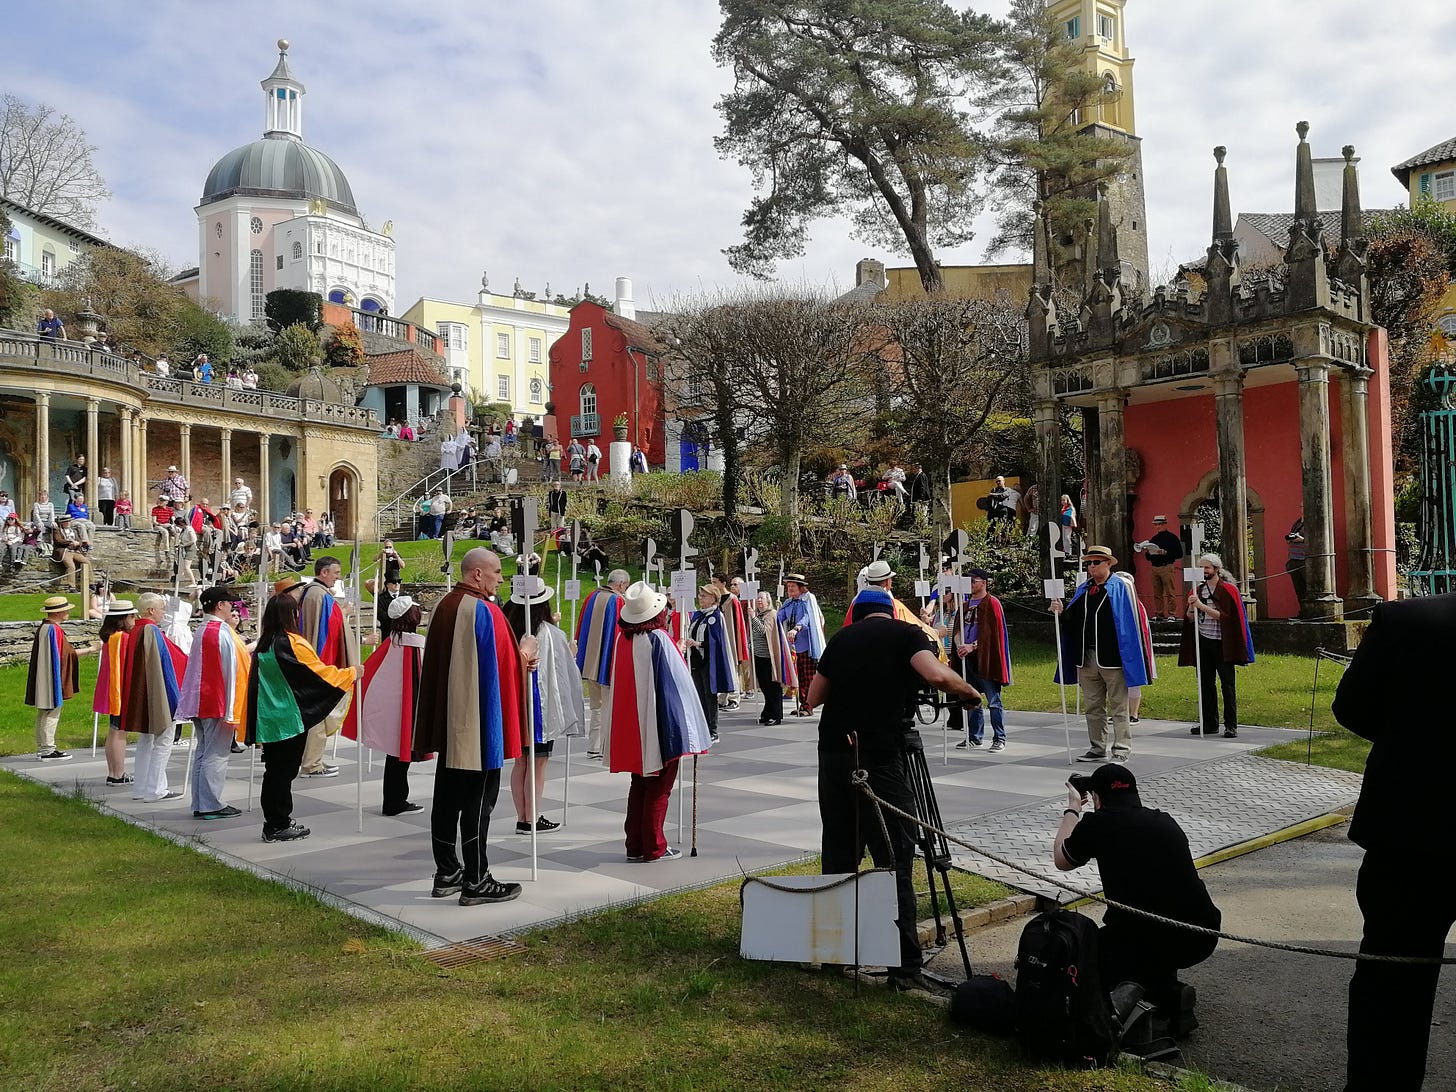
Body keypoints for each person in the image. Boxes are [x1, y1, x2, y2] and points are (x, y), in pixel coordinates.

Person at [807, 584, 981, 992]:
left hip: (834, 754)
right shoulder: (908, 634)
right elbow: (935, 674)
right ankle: (903, 967)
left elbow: (813, 697)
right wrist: (969, 693)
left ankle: (836, 954)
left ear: (857, 615)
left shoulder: (840, 638)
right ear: (891, 612)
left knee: (839, 852)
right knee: (895, 857)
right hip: (882, 756)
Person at [1333, 595, 1456, 1090]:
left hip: (1411, 825)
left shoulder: (1405, 619)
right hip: (1408, 832)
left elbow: (1352, 707)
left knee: (1392, 982)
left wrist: (1410, 739)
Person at [413, 548, 535, 906]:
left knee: (447, 799)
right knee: (478, 802)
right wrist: (525, 653)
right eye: (496, 572)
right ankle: (477, 879)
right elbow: (503, 667)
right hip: (478, 725)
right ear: (477, 574)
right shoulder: (486, 611)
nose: (501, 578)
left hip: (450, 723)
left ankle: (447, 871)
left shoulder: (443, 606)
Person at [1054, 763, 1220, 1020]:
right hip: (1201, 934)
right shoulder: (1164, 820)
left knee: (1091, 956)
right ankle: (1166, 993)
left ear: (1097, 799)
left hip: (1146, 936)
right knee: (1146, 941)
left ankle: (1152, 996)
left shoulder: (1098, 823)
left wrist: (1072, 808)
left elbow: (1061, 859)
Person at [602, 581, 712, 863]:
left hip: (635, 726)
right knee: (660, 786)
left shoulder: (623, 639)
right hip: (659, 723)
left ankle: (635, 844)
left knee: (639, 783)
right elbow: (679, 685)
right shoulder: (658, 639)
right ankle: (654, 846)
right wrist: (692, 730)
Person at [246, 578, 361, 842]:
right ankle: (278, 824)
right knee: (283, 773)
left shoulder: (266, 643)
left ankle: (274, 822)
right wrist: (352, 673)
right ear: (291, 615)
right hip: (288, 717)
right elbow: (319, 674)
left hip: (269, 716)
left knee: (274, 772)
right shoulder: (292, 643)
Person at [1050, 546, 1154, 763]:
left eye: (1095, 562)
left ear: (1108, 563)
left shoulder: (1119, 587)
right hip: (1086, 658)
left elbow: (1128, 624)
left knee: (1118, 706)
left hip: (1112, 658)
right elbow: (1074, 622)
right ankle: (1097, 747)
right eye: (1088, 563)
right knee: (1093, 707)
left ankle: (1121, 748)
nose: (1091, 567)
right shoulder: (1085, 589)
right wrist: (1062, 613)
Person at [503, 577, 584, 834]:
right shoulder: (551, 633)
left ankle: (522, 816)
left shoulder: (509, 630)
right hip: (539, 708)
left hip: (516, 706)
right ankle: (531, 818)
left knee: (521, 763)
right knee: (537, 764)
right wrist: (570, 653)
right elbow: (562, 672)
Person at [343, 595, 426, 816]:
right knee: (399, 756)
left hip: (396, 707)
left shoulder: (393, 642)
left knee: (397, 755)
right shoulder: (411, 645)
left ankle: (396, 799)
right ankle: (395, 801)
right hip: (404, 707)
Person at [176, 586, 251, 819]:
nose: (233, 607)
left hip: (202, 700)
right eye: (230, 604)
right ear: (220, 605)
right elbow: (230, 670)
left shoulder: (204, 629)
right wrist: (232, 707)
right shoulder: (219, 632)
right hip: (216, 701)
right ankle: (212, 804)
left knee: (204, 752)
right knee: (216, 754)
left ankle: (201, 802)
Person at [121, 592, 189, 803]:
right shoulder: (151, 630)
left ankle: (140, 787)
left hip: (141, 691)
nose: (163, 612)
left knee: (146, 739)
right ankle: (156, 789)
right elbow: (166, 665)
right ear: (151, 610)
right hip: (157, 693)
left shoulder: (136, 630)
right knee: (163, 739)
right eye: (160, 609)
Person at [1178, 553, 1254, 738]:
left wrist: (1202, 607)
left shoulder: (1228, 590)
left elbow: (1227, 618)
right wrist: (1190, 607)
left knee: (1227, 685)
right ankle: (1209, 723)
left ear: (1216, 570)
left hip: (1223, 643)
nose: (1203, 571)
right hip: (1203, 642)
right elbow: (1190, 619)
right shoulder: (1196, 591)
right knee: (1205, 684)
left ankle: (1231, 725)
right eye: (1201, 568)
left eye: (1207, 568)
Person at [296, 557, 357, 779]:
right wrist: (345, 613)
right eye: (336, 572)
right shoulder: (319, 595)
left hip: (312, 659)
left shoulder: (312, 593)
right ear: (324, 572)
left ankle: (313, 760)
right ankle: (312, 764)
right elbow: (329, 630)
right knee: (319, 716)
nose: (338, 577)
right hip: (321, 662)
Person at [950, 568, 1013, 752]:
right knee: (971, 698)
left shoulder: (992, 603)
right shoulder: (965, 605)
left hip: (986, 659)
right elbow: (957, 629)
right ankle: (974, 737)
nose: (970, 585)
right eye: (968, 581)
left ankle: (999, 737)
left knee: (993, 700)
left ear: (984, 582)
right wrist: (960, 644)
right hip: (967, 660)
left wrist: (974, 646)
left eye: (973, 581)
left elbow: (994, 636)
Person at [575, 569, 630, 759]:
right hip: (608, 662)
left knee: (596, 705)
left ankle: (594, 745)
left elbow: (581, 626)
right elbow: (619, 633)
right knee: (607, 705)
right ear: (621, 584)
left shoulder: (591, 596)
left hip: (590, 662)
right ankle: (604, 746)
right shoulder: (618, 601)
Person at [26, 596, 78, 761]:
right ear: (59, 612)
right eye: (66, 610)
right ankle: (48, 749)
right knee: (51, 711)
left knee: (44, 712)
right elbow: (63, 654)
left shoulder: (44, 627)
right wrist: (91, 649)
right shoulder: (53, 630)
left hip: (44, 675)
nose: (68, 612)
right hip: (50, 676)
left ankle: (43, 747)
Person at [93, 600, 137, 784]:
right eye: (132, 616)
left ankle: (114, 772)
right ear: (124, 618)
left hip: (110, 687)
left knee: (113, 731)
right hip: (119, 688)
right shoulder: (123, 638)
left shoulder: (110, 636)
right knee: (120, 732)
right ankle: (118, 773)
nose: (134, 619)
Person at [686, 584, 736, 744]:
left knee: (709, 695)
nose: (700, 598)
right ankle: (702, 727)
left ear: (714, 598)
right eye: (700, 595)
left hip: (709, 661)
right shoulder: (698, 615)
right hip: (696, 661)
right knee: (699, 694)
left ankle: (712, 729)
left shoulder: (715, 616)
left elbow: (716, 641)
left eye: (704, 596)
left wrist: (698, 643)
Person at [777, 573, 826, 717]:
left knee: (808, 676)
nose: (790, 589)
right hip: (794, 646)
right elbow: (780, 617)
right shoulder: (789, 603)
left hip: (807, 645)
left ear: (801, 588)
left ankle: (808, 705)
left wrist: (796, 628)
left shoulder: (808, 600)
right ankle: (802, 704)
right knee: (798, 677)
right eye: (788, 586)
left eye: (793, 586)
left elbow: (807, 618)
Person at [748, 591, 796, 725]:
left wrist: (753, 617)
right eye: (757, 598)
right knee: (764, 687)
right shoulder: (760, 615)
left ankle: (776, 714)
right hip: (759, 656)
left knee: (772, 687)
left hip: (768, 658)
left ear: (768, 601)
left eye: (761, 598)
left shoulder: (771, 614)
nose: (758, 601)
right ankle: (768, 711)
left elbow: (764, 631)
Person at [1136, 515, 1185, 620]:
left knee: (1170, 592)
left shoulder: (1172, 538)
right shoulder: (1154, 539)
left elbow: (1179, 554)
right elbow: (1149, 557)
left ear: (1164, 524)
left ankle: (1172, 613)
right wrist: (1148, 551)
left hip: (1166, 566)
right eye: (1156, 525)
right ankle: (1159, 613)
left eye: (1159, 524)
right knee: (1157, 592)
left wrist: (1166, 553)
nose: (1158, 527)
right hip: (1155, 567)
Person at [50, 516, 88, 590]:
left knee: (87, 563)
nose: (68, 523)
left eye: (69, 521)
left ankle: (90, 583)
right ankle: (72, 586)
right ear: (61, 523)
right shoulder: (57, 530)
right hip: (64, 551)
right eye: (66, 522)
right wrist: (70, 542)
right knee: (71, 566)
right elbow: (58, 540)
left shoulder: (73, 531)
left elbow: (79, 540)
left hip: (74, 551)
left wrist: (77, 543)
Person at [1284, 512, 1306, 607]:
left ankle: (1308, 612)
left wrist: (1302, 539)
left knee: (1308, 588)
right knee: (1299, 589)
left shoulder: (1313, 521)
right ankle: (1302, 611)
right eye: (1301, 507)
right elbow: (1289, 539)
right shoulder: (1297, 523)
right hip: (1293, 559)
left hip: (1305, 560)